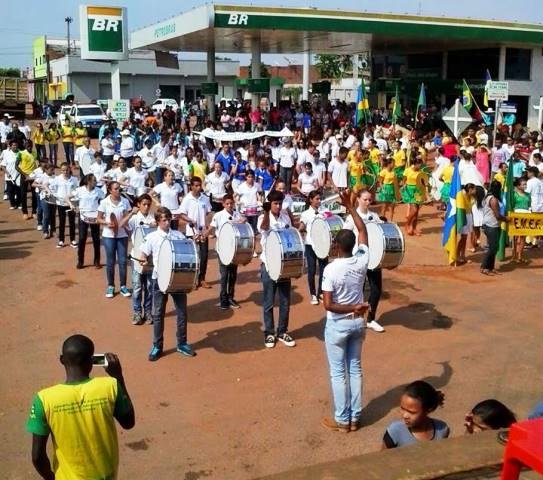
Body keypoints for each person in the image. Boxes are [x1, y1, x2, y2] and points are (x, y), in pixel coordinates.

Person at [26, 334, 135, 480]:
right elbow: (128, 423)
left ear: (62, 360)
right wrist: (118, 376)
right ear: (92, 362)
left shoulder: (43, 399)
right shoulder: (110, 386)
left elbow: (37, 457)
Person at [320, 190, 369, 432]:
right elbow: (363, 231)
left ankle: (342, 420)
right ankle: (355, 418)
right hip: (358, 323)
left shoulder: (331, 269)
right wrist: (350, 207)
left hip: (338, 324)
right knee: (355, 368)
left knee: (338, 373)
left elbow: (328, 305)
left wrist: (352, 307)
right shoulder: (361, 259)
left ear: (337, 246)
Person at [138, 207, 196, 360]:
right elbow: (143, 253)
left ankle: (182, 343)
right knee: (158, 314)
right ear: (157, 221)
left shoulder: (177, 235)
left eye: (168, 219)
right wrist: (143, 259)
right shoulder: (152, 237)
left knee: (182, 312)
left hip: (178, 278)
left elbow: (188, 251)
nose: (167, 222)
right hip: (159, 279)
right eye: (164, 220)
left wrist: (194, 241)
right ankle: (157, 346)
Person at [257, 190, 296, 348]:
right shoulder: (263, 217)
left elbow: (292, 235)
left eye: (280, 203)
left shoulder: (285, 217)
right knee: (268, 302)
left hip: (284, 265)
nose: (278, 206)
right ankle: (269, 333)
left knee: (285, 301)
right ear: (270, 204)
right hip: (268, 264)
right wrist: (266, 212)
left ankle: (282, 331)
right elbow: (264, 228)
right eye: (275, 203)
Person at [344, 190, 386, 333]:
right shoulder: (351, 218)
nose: (368, 202)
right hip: (359, 258)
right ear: (358, 200)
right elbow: (345, 236)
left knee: (376, 289)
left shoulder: (374, 216)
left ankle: (371, 319)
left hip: (374, 258)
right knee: (358, 290)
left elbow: (382, 233)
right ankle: (356, 318)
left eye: (370, 200)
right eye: (365, 199)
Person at [382, 380, 449, 448]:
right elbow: (383, 457)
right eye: (402, 409)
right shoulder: (395, 431)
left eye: (411, 412)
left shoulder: (442, 429)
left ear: (428, 410)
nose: (405, 416)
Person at [209, 194, 246, 309]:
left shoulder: (236, 214)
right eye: (227, 204)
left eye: (231, 203)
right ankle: (223, 300)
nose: (230, 205)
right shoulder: (219, 215)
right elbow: (211, 228)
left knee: (233, 275)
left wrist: (244, 220)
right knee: (224, 275)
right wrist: (204, 234)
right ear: (223, 204)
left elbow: (244, 222)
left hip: (234, 250)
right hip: (222, 249)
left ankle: (231, 297)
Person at [97, 181, 132, 298]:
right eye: (116, 189)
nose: (118, 190)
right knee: (110, 262)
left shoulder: (125, 201)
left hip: (122, 236)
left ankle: (123, 286)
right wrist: (107, 223)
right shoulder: (104, 202)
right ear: (110, 190)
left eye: (119, 188)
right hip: (108, 236)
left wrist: (126, 217)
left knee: (122, 261)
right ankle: (111, 286)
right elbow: (98, 219)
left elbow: (127, 218)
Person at [179, 177, 212, 288]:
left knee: (204, 256)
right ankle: (192, 280)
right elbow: (182, 214)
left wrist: (207, 228)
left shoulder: (204, 198)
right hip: (191, 232)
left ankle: (202, 279)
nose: (198, 188)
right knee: (193, 257)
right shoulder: (187, 199)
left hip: (202, 232)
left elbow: (208, 213)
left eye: (199, 185)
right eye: (196, 186)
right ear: (191, 186)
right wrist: (190, 220)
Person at [128, 194, 156, 326]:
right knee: (137, 287)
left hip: (150, 259)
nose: (146, 207)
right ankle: (137, 312)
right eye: (144, 204)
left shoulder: (153, 218)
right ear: (138, 204)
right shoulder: (134, 218)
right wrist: (130, 213)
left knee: (150, 287)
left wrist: (155, 224)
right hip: (136, 257)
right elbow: (121, 225)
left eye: (148, 204)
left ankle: (148, 312)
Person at [299, 190, 328, 305]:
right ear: (311, 200)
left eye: (320, 199)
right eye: (317, 199)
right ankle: (313, 294)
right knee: (311, 270)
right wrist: (301, 230)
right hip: (310, 245)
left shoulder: (324, 212)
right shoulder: (305, 214)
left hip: (323, 245)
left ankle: (320, 292)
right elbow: (301, 227)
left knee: (323, 270)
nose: (319, 201)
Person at [70, 174, 104, 269]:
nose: (96, 182)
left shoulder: (98, 191)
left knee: (96, 240)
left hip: (95, 218)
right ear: (88, 181)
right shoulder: (80, 190)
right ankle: (80, 261)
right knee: (81, 239)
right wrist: (72, 205)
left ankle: (97, 261)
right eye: (94, 180)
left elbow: (104, 201)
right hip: (83, 218)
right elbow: (67, 197)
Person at [48, 163, 78, 249]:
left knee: (72, 222)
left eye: (66, 170)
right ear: (61, 171)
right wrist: (57, 196)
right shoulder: (57, 179)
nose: (65, 171)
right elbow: (51, 188)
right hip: (61, 204)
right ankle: (61, 240)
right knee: (62, 222)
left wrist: (75, 201)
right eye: (63, 170)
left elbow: (77, 190)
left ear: (69, 170)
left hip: (71, 204)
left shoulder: (74, 179)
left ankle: (73, 240)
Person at [481, 180, 508, 275]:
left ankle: (490, 267)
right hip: (491, 225)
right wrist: (507, 219)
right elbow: (497, 215)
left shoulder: (489, 197)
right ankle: (484, 267)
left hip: (493, 225)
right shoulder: (493, 200)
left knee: (495, 247)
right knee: (493, 247)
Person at [402, 158, 427, 236]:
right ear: (415, 164)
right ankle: (407, 224)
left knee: (416, 212)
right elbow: (404, 180)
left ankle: (414, 228)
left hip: (418, 191)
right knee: (414, 210)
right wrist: (404, 185)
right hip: (409, 190)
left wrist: (426, 194)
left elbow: (423, 184)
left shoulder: (421, 172)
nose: (420, 166)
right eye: (419, 165)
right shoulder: (407, 170)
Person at [15, 139, 38, 220]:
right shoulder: (20, 153)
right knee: (23, 194)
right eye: (27, 145)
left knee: (34, 194)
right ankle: (25, 212)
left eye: (30, 145)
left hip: (33, 176)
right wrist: (25, 175)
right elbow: (16, 166)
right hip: (24, 176)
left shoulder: (35, 153)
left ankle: (34, 212)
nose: (29, 147)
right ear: (24, 146)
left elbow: (37, 163)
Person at [234, 169, 262, 235]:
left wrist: (260, 201)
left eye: (252, 177)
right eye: (249, 177)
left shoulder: (257, 185)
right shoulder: (241, 186)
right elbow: (234, 196)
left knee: (254, 230)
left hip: (254, 210)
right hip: (244, 210)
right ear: (246, 177)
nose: (250, 178)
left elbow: (260, 195)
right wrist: (238, 202)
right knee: (246, 228)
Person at [512, 176, 531, 263]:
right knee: (515, 237)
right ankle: (514, 255)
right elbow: (512, 206)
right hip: (516, 217)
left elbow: (529, 206)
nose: (525, 186)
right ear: (518, 186)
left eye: (525, 184)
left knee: (523, 237)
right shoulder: (514, 195)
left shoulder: (528, 195)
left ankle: (520, 256)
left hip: (525, 217)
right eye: (523, 184)